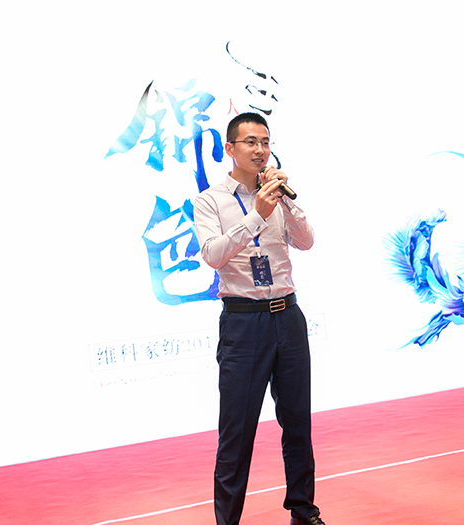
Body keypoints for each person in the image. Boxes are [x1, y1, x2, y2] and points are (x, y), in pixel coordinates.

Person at [193, 112, 324, 525]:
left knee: (297, 423)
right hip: (243, 323)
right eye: (250, 142)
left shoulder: (275, 193)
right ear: (230, 149)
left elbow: (306, 241)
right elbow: (213, 255)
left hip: (287, 317)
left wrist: (283, 200)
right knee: (237, 430)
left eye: (265, 142)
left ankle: (303, 511)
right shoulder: (210, 201)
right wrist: (256, 215)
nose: (260, 150)